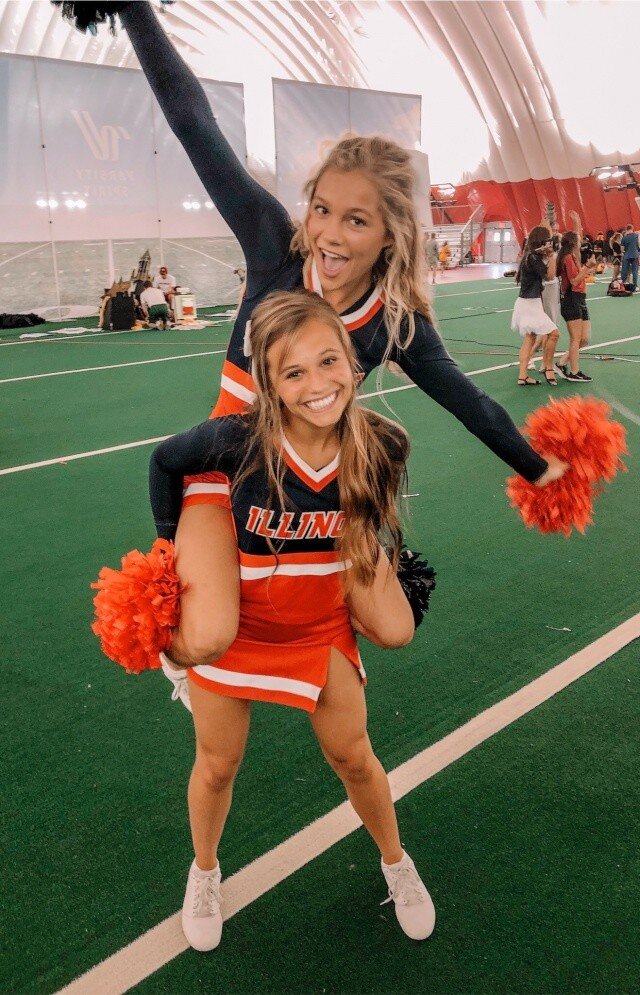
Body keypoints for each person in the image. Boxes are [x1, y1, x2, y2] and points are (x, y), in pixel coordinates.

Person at [91, 3, 565, 692]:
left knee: (395, 627)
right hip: (228, 468)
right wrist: (132, 9)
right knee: (205, 636)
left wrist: (539, 468)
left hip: (316, 483)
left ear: (391, 233)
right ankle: (214, 612)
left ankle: (318, 596)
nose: (331, 235)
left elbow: (470, 404)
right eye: (322, 210)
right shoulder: (273, 246)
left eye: (357, 220)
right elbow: (194, 123)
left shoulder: (394, 322)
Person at [149, 290, 435, 950]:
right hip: (242, 622)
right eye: (292, 372)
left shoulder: (384, 443)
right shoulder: (237, 441)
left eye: (327, 361)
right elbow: (164, 459)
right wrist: (167, 554)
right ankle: (204, 870)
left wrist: (372, 563)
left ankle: (396, 861)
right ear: (270, 385)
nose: (316, 384)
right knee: (217, 765)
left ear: (352, 364)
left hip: (316, 623)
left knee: (354, 757)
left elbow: (372, 518)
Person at [511, 226, 560, 386]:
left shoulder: (530, 256)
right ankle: (548, 367)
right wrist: (551, 255)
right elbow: (550, 276)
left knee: (530, 338)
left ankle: (523, 376)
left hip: (527, 302)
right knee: (554, 334)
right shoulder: (532, 258)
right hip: (530, 304)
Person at [553, 232, 596, 383]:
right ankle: (574, 372)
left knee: (584, 339)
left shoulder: (573, 257)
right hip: (571, 299)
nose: (580, 242)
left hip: (579, 298)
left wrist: (587, 269)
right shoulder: (567, 258)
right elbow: (574, 281)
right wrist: (587, 267)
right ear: (573, 242)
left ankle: (561, 364)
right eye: (578, 240)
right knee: (576, 339)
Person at [620, 224, 639, 291]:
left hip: (627, 255)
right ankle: (635, 286)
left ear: (626, 229)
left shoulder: (624, 238)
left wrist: (626, 251)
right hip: (635, 255)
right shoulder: (636, 236)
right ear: (632, 228)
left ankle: (622, 286)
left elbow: (622, 249)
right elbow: (639, 245)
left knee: (624, 271)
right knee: (635, 271)